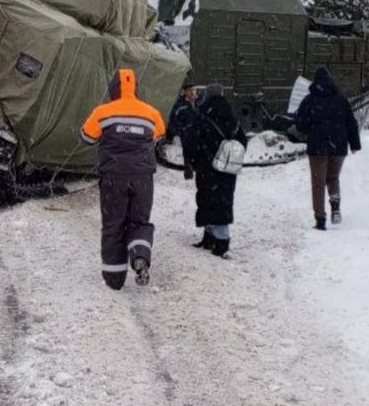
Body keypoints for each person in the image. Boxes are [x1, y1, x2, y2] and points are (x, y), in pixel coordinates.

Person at [81, 68, 166, 290]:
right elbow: (159, 135)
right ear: (135, 88)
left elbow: (86, 137)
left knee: (113, 224)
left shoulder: (103, 112)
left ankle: (114, 278)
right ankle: (140, 258)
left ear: (113, 88)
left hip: (113, 179)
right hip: (143, 178)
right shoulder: (151, 112)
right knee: (139, 222)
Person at [182, 84, 247, 257]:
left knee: (206, 198)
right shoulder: (232, 117)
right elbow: (242, 141)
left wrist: (193, 161)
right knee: (223, 200)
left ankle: (215, 239)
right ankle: (218, 238)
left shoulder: (203, 116)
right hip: (227, 168)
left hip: (206, 166)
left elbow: (192, 141)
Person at [295, 67, 361, 231]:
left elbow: (301, 124)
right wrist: (354, 144)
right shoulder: (341, 100)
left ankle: (320, 219)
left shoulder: (309, 100)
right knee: (333, 178)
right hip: (338, 146)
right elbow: (351, 123)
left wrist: (307, 130)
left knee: (318, 183)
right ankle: (335, 206)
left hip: (317, 147)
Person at [168, 82, 198, 178]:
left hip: (199, 131)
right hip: (187, 132)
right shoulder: (180, 104)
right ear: (185, 92)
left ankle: (200, 170)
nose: (192, 92)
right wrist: (182, 129)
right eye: (189, 90)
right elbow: (174, 118)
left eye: (193, 90)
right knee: (188, 151)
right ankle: (188, 172)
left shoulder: (200, 102)